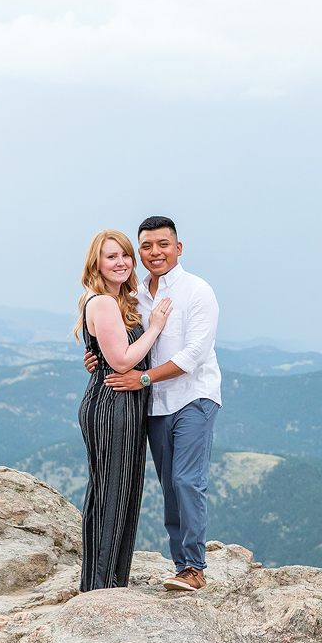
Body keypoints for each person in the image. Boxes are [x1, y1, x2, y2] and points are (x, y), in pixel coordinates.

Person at [84, 216, 221, 592]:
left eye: (163, 244)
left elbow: (194, 354)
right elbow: (121, 341)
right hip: (155, 406)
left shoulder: (197, 291)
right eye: (146, 246)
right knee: (169, 487)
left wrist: (142, 378)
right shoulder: (135, 294)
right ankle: (181, 565)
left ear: (178, 248)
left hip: (194, 397)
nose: (154, 252)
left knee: (186, 481)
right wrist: (94, 354)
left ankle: (194, 567)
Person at [74, 229, 172, 591]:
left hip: (123, 404)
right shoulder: (102, 302)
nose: (121, 262)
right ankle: (99, 587)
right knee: (112, 492)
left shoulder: (119, 301)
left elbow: (106, 352)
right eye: (111, 256)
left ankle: (111, 581)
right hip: (113, 404)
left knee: (123, 491)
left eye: (125, 256)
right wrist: (156, 329)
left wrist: (94, 357)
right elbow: (122, 361)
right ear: (96, 263)